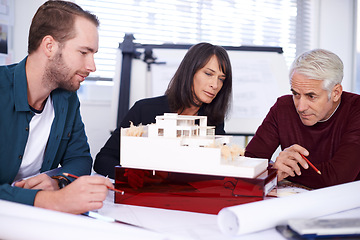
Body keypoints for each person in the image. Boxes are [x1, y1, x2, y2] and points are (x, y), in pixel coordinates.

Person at [0, 0, 113, 214]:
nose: (92, 67)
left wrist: (58, 181)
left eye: (94, 54)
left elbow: (80, 158)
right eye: (83, 52)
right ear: (49, 46)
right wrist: (50, 200)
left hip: (36, 220)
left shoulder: (67, 98)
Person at [94, 42, 233, 181]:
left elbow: (217, 168)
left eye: (221, 79)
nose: (215, 85)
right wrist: (128, 174)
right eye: (208, 74)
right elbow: (103, 159)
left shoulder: (213, 120)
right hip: (144, 194)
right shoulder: (145, 109)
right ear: (190, 72)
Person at [245, 49, 360, 189]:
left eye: (311, 96)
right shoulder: (283, 108)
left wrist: (280, 171)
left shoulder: (356, 110)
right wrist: (274, 169)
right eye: (296, 94)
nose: (300, 107)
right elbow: (248, 163)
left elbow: (337, 178)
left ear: (335, 93)